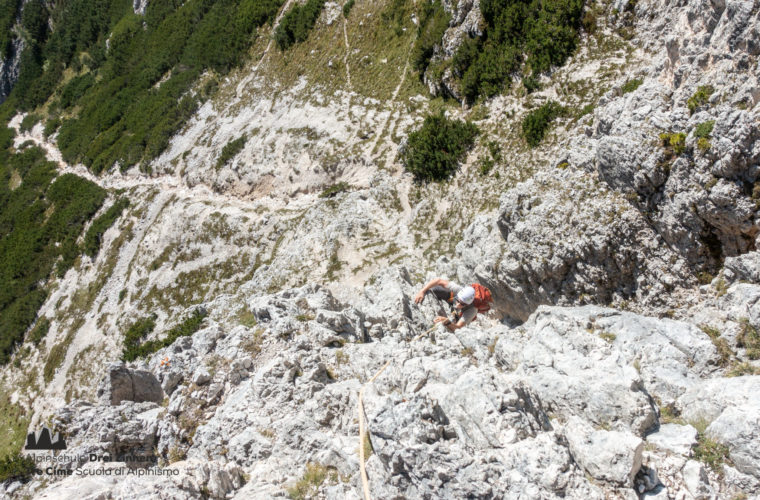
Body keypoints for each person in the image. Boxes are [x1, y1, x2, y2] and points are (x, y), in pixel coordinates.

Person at [413, 278, 491, 332]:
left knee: (452, 328)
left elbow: (458, 327)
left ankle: (454, 315)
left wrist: (447, 322)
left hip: (460, 314)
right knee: (435, 289)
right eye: (458, 300)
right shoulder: (458, 289)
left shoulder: (472, 310)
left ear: (469, 303)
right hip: (451, 299)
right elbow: (438, 281)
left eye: (462, 304)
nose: (458, 304)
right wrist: (422, 291)